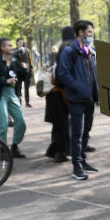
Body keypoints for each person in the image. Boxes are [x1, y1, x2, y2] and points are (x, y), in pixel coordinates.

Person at [56, 20, 99, 180]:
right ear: (80, 32)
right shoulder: (69, 51)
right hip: (77, 98)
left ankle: (83, 161)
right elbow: (63, 74)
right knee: (77, 132)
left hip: (90, 98)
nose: (91, 34)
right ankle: (77, 166)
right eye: (89, 32)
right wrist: (78, 87)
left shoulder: (90, 50)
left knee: (86, 131)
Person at [0, 37, 28, 158]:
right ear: (2, 47)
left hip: (12, 94)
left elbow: (22, 76)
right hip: (0, 95)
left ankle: (14, 147)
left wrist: (24, 70)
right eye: (9, 45)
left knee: (21, 122)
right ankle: (3, 151)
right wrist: (5, 81)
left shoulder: (14, 61)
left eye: (11, 45)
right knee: (3, 124)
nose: (12, 47)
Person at [45, 26, 74, 163]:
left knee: (58, 125)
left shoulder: (62, 49)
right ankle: (59, 152)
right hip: (59, 95)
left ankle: (54, 150)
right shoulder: (68, 48)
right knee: (63, 125)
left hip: (53, 95)